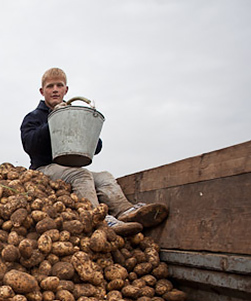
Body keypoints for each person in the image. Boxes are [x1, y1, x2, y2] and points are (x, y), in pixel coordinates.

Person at [20, 68, 167, 236]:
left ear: (65, 90)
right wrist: (55, 120)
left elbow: (95, 147)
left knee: (104, 176)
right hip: (44, 169)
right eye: (50, 86)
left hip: (69, 168)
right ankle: (101, 220)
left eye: (59, 85)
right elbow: (30, 145)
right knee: (81, 175)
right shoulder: (33, 117)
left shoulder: (73, 114)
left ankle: (126, 212)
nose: (55, 90)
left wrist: (86, 133)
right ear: (42, 91)